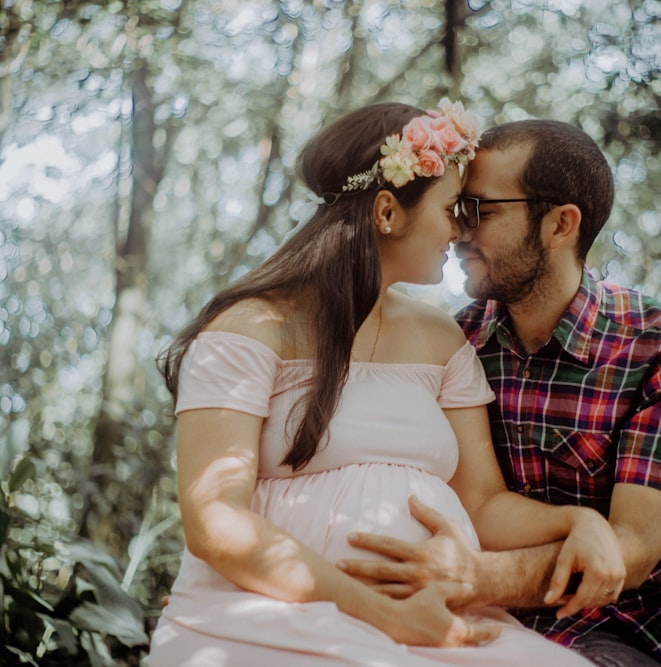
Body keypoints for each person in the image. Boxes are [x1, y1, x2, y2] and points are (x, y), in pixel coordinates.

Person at [338, 119, 661, 667]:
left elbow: (628, 553)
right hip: (549, 622)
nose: (459, 232)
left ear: (560, 224)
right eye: (457, 211)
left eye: (481, 211)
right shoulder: (452, 345)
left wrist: (473, 576)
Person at [144, 101, 617, 666]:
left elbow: (484, 502)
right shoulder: (248, 330)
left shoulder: (442, 339)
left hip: (440, 619)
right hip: (279, 612)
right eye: (452, 209)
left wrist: (578, 520)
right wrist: (383, 612)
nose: (461, 230)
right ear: (388, 212)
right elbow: (215, 521)